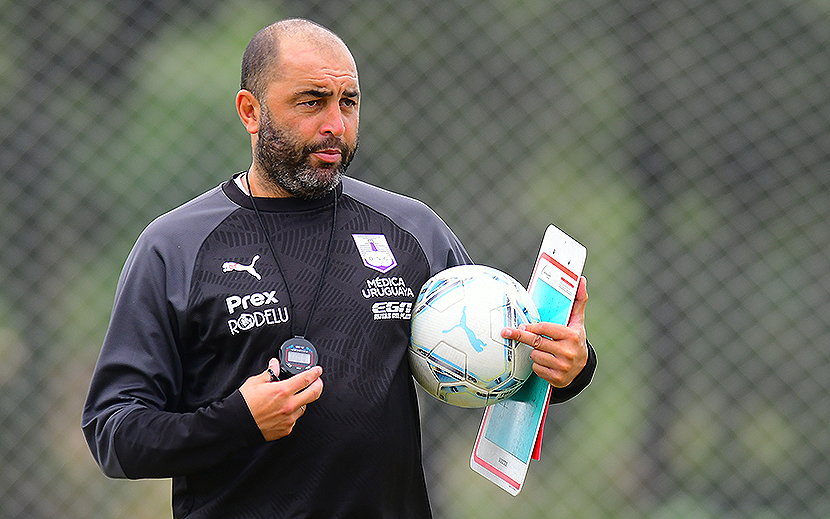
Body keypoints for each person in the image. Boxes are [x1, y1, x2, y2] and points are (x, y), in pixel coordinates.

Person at [82, 18, 596, 519]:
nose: (335, 126)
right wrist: (237, 421)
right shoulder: (176, 247)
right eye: (311, 102)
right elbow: (113, 433)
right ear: (250, 111)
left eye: (348, 103)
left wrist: (570, 365)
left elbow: (504, 364)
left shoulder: (410, 229)